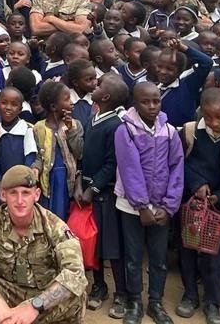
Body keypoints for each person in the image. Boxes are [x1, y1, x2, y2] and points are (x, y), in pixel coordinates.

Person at [0, 165, 87, 324]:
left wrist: (34, 306)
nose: (20, 201)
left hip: (43, 297)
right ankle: (9, 319)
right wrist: (1, 308)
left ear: (36, 195)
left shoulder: (54, 226)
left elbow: (75, 271)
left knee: (76, 295)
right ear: (3, 195)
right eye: (13, 193)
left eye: (26, 193)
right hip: (6, 296)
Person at [114, 82, 184, 324]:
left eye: (156, 101)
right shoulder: (125, 131)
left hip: (162, 207)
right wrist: (142, 206)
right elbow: (129, 169)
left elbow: (177, 168)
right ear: (135, 102)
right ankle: (134, 302)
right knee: (133, 256)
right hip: (132, 206)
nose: (152, 106)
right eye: (146, 101)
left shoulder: (170, 131)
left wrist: (169, 207)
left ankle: (156, 302)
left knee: (159, 258)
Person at [176, 88, 220, 324]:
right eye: (208, 117)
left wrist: (219, 196)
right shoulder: (190, 132)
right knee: (187, 250)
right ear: (201, 113)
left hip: (219, 206)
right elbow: (178, 164)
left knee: (214, 256)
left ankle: (213, 302)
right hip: (191, 204)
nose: (214, 123)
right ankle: (190, 295)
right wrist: (197, 184)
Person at [81, 73, 129, 316]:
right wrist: (81, 184)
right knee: (93, 243)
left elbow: (112, 163)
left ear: (107, 96)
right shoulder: (93, 118)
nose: (94, 85)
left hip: (105, 193)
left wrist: (93, 188)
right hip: (88, 190)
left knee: (111, 246)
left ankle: (121, 292)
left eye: (98, 85)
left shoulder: (116, 125)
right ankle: (99, 286)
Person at [32, 81, 83, 221]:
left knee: (65, 215)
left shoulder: (75, 125)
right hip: (48, 179)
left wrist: (71, 131)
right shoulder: (38, 128)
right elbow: (38, 156)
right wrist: (35, 169)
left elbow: (79, 153)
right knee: (48, 216)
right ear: (54, 106)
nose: (72, 102)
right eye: (67, 99)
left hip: (67, 179)